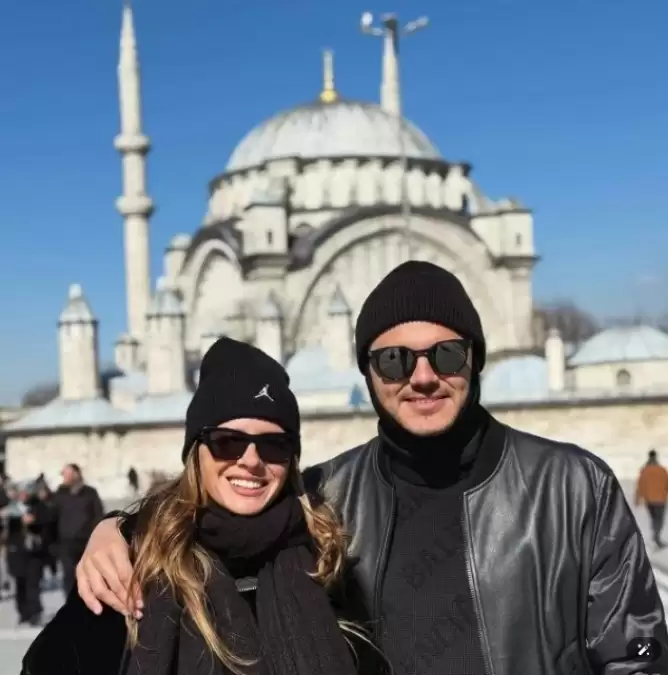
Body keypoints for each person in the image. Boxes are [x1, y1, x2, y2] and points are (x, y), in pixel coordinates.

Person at [73, 261, 668, 675]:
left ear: (475, 360)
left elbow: (636, 654)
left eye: (447, 354)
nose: (423, 376)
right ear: (367, 372)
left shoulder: (572, 487)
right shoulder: (325, 496)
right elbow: (217, 512)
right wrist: (119, 528)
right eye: (394, 360)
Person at [22, 337, 362, 675]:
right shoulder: (132, 568)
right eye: (228, 442)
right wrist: (119, 529)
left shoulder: (327, 562)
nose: (251, 461)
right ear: (196, 452)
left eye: (274, 444)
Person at [4, 482, 52, 625]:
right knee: (20, 584)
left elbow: (47, 523)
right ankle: (23, 613)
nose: (23, 495)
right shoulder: (11, 509)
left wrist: (34, 521)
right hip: (16, 552)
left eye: (26, 492)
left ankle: (35, 612)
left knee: (33, 584)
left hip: (34, 553)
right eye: (21, 492)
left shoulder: (38, 506)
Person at [53, 462, 104, 595]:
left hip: (86, 542)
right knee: (69, 576)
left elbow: (98, 515)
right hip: (66, 543)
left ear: (76, 474)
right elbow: (52, 516)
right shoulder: (60, 494)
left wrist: (97, 537)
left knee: (87, 575)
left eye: (66, 474)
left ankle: (88, 602)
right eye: (63, 474)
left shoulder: (90, 493)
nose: (64, 477)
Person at [635, 449, 668, 548]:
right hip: (660, 499)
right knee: (659, 519)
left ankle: (655, 537)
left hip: (649, 500)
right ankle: (656, 538)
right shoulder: (662, 470)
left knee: (654, 518)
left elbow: (640, 485)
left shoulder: (644, 470)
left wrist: (637, 498)